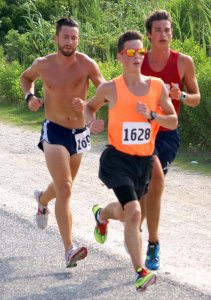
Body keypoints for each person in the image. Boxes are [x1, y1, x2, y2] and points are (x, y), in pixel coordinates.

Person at [75, 30, 178, 291]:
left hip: (143, 162)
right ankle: (140, 271)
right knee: (134, 212)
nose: (137, 57)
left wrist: (153, 115)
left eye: (140, 52)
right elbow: (89, 106)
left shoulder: (155, 86)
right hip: (117, 159)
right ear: (121, 56)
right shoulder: (110, 88)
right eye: (131, 52)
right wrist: (91, 122)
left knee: (125, 214)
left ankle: (101, 214)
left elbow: (173, 120)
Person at [20, 17, 104, 268]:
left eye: (74, 37)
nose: (70, 42)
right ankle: (69, 248)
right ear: (56, 39)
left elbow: (104, 90)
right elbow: (26, 78)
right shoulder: (43, 64)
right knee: (66, 188)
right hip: (54, 130)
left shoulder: (87, 64)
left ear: (78, 39)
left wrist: (91, 110)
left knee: (61, 187)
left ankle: (42, 200)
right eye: (65, 37)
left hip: (79, 133)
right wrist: (29, 97)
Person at [140, 10, 200, 270]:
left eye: (167, 30)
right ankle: (107, 215)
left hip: (166, 133)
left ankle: (153, 244)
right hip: (139, 132)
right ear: (149, 35)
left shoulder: (183, 62)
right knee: (138, 195)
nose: (164, 35)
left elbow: (196, 98)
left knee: (155, 182)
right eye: (158, 30)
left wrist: (181, 95)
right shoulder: (138, 61)